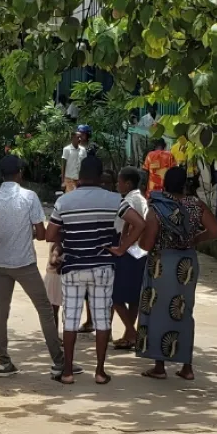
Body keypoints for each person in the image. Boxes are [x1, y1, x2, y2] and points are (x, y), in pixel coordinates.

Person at [46, 156, 147, 385]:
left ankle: (68, 371)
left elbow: (50, 235)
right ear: (101, 176)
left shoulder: (65, 201)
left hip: (73, 266)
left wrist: (71, 234)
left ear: (80, 175)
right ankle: (100, 372)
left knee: (70, 320)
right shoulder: (114, 199)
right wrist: (122, 248)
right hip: (103, 266)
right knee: (102, 320)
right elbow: (140, 223)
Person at [0, 155, 76, 378]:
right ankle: (58, 362)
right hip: (24, 262)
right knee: (44, 309)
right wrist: (29, 232)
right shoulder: (28, 196)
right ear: (19, 174)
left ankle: (4, 362)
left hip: (1, 262)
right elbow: (42, 233)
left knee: (2, 311)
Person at [138, 166, 217, 381]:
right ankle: (187, 367)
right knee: (183, 311)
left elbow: (147, 244)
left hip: (162, 263)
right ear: (185, 184)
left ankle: (159, 366)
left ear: (164, 184)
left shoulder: (157, 208)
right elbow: (215, 230)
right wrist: (195, 239)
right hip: (186, 263)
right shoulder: (195, 205)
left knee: (158, 311)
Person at [112, 167, 149, 350]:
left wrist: (123, 245)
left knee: (116, 296)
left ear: (127, 183)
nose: (116, 184)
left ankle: (132, 333)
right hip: (139, 252)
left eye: (119, 181)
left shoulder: (130, 200)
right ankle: (129, 335)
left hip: (130, 252)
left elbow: (137, 224)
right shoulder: (140, 198)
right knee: (133, 297)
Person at [44, 242, 63, 328]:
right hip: (54, 278)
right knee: (53, 310)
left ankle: (53, 335)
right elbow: (53, 260)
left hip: (54, 278)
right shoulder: (57, 244)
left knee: (53, 310)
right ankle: (53, 335)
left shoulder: (56, 242)